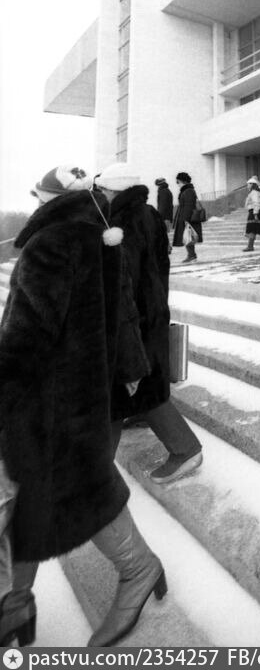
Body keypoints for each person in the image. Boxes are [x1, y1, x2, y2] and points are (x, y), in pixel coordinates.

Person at [0, 166, 166, 648]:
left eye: (37, 195)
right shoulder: (98, 236)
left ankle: (137, 569)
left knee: (68, 484)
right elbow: (123, 310)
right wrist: (130, 367)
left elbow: (28, 334)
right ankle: (16, 604)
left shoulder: (48, 243)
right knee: (46, 488)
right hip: (80, 389)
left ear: (48, 198)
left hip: (45, 394)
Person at [96, 164, 202, 485]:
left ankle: (184, 449)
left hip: (137, 316)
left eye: (102, 190)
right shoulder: (146, 213)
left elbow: (124, 277)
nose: (100, 195)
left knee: (125, 387)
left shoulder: (124, 220)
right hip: (150, 310)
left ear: (114, 189)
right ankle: (96, 475)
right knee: (136, 386)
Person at [172, 171, 202, 263]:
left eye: (178, 182)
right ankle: (191, 255)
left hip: (187, 217)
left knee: (188, 236)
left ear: (182, 181)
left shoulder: (188, 191)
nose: (177, 184)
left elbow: (189, 206)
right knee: (188, 237)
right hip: (185, 216)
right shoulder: (187, 190)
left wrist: (185, 219)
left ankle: (192, 255)